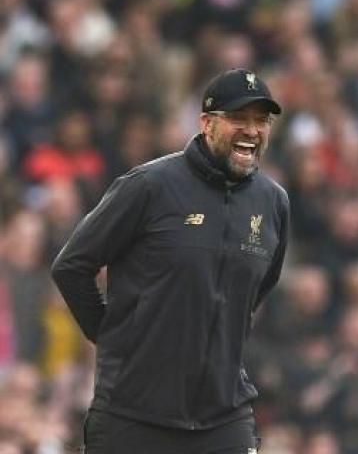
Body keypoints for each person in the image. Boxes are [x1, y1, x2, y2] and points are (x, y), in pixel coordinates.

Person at [51, 68, 290, 453]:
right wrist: (112, 337)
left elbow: (258, 289)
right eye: (239, 119)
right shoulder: (150, 186)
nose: (252, 130)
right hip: (133, 413)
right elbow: (72, 265)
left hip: (223, 417)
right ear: (207, 123)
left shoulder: (274, 202)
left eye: (261, 120)